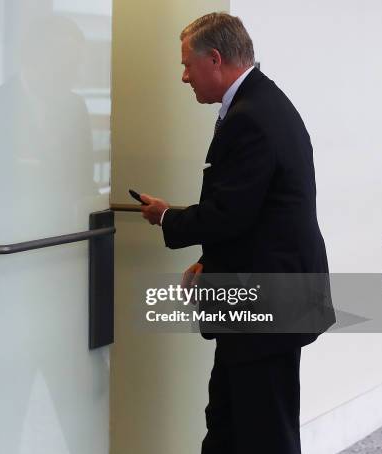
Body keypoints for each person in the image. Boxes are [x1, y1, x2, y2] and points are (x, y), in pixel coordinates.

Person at [138, 12, 335, 454]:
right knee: (229, 419)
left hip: (268, 304)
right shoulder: (259, 103)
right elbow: (257, 211)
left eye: (188, 64)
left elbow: (230, 213)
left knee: (263, 430)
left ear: (215, 58)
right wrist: (212, 260)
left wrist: (168, 218)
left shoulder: (252, 116)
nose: (184, 76)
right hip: (263, 294)